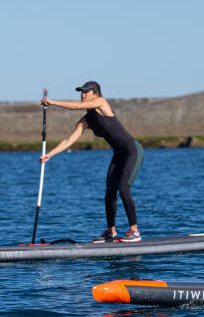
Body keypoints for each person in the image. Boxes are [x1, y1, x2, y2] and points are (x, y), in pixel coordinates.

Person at [40, 81, 145, 243]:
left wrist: (53, 102)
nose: (82, 95)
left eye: (86, 92)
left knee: (123, 189)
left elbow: (75, 106)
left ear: (96, 94)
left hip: (133, 151)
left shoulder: (101, 103)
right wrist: (49, 155)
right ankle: (111, 232)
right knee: (109, 193)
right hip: (118, 154)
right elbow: (69, 140)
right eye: (81, 92)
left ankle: (134, 231)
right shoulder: (85, 120)